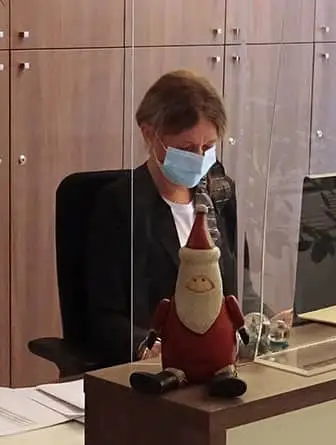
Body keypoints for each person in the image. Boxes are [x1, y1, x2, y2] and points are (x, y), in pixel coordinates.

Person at [83, 70, 256, 367]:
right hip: (158, 370)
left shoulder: (219, 192)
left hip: (222, 361)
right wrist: (145, 347)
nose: (199, 158)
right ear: (150, 134)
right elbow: (103, 318)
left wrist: (265, 321)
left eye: (208, 147)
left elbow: (240, 289)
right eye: (187, 148)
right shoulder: (121, 205)